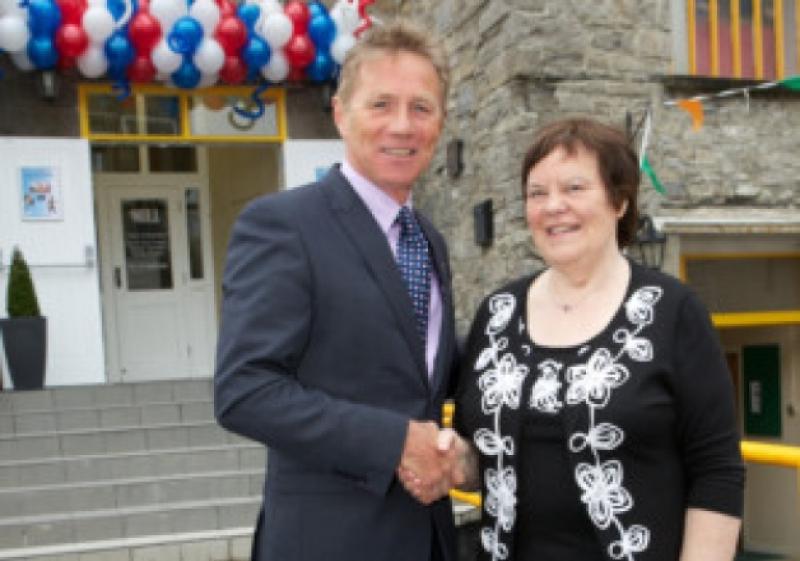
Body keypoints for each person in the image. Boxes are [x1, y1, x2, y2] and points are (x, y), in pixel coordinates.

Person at [401, 117, 745, 561]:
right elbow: (481, 460)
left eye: (575, 188)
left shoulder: (671, 310)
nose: (553, 206)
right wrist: (447, 457)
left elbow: (716, 470)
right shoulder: (497, 314)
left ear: (619, 201)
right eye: (537, 193)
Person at [214, 20, 462, 561]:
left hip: (428, 538)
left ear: (440, 124)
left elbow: (423, 383)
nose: (403, 125)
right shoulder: (282, 224)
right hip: (328, 541)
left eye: (421, 108)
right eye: (381, 105)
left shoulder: (429, 242)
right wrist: (395, 440)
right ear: (340, 114)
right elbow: (244, 391)